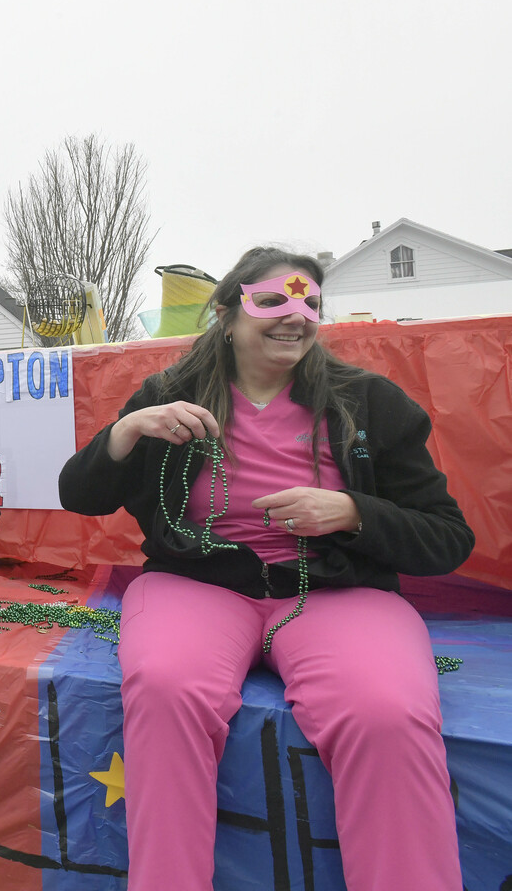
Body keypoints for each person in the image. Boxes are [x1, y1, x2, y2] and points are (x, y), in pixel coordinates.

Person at [57, 248, 473, 890]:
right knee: (167, 687)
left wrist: (351, 511)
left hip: (336, 594)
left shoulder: (368, 403)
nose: (294, 317)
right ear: (226, 315)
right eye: (273, 301)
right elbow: (79, 495)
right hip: (199, 585)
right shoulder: (171, 398)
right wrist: (129, 429)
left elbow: (447, 538)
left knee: (387, 711)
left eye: (308, 303)